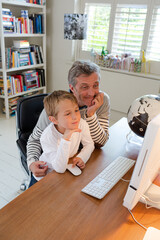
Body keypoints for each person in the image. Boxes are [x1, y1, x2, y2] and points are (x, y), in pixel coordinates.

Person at [27, 60, 110, 185]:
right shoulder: (56, 109)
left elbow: (100, 142)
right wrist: (31, 163)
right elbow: (34, 140)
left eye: (95, 85)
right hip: (53, 164)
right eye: (84, 87)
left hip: (78, 160)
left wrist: (91, 115)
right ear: (72, 88)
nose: (92, 93)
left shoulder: (102, 101)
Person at [33, 90, 94, 182]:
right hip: (48, 173)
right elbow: (59, 168)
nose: (75, 117)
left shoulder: (81, 123)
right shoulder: (47, 136)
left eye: (76, 110)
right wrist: (66, 138)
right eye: (68, 113)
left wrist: (82, 157)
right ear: (54, 120)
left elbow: (89, 144)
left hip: (68, 166)